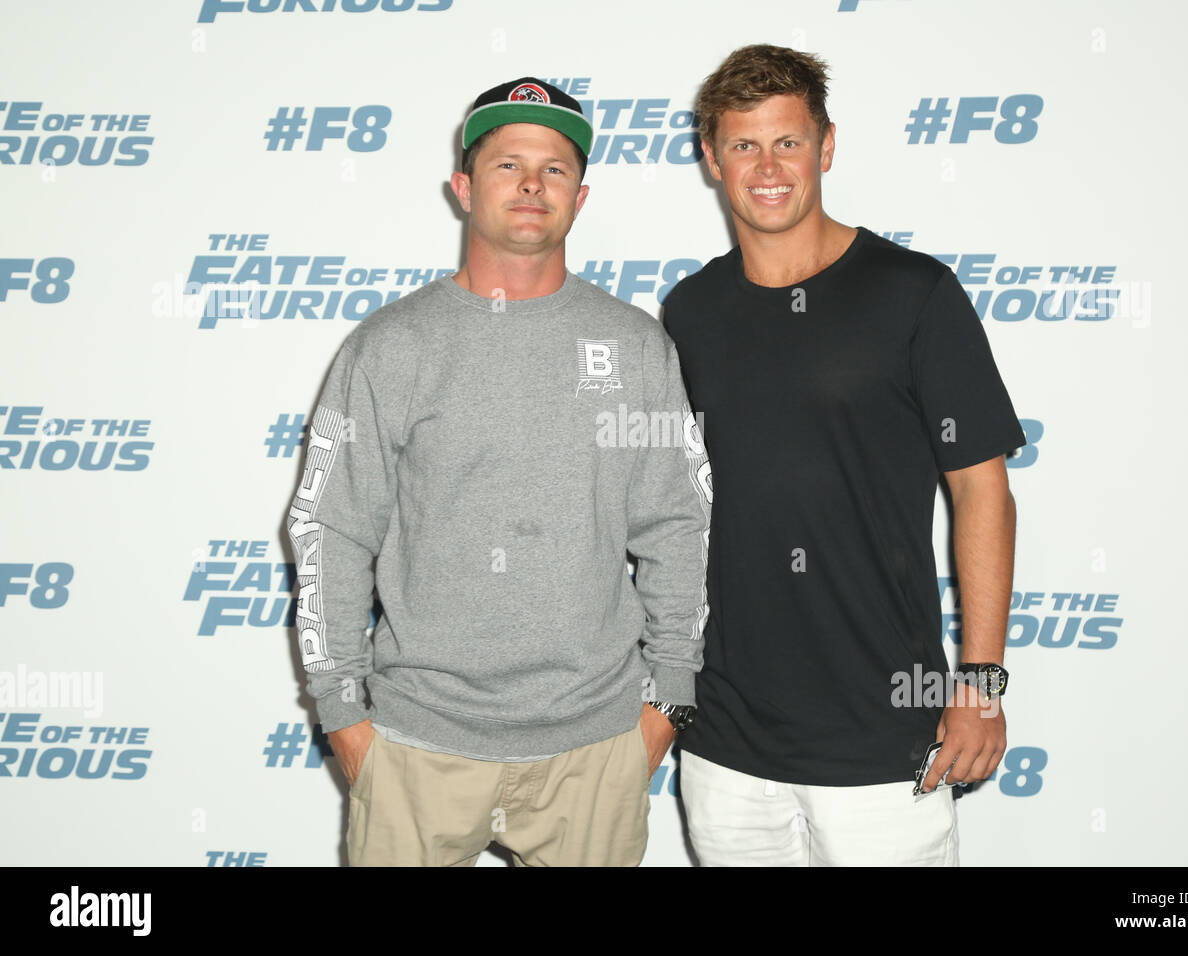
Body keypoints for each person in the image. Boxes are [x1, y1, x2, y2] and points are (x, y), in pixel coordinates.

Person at [285, 77, 711, 867]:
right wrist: (344, 717)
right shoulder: (392, 346)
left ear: (579, 198)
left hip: (597, 744)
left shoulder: (635, 345)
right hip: (417, 742)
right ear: (462, 187)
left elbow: (678, 522)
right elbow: (331, 527)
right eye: (507, 163)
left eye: (553, 169)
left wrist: (668, 701)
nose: (529, 184)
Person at [662, 45, 1023, 866]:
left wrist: (982, 683)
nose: (767, 166)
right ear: (712, 159)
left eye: (787, 141)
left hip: (886, 737)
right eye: (744, 145)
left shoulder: (914, 294)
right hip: (723, 744)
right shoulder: (689, 312)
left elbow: (983, 493)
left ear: (826, 146)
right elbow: (667, 515)